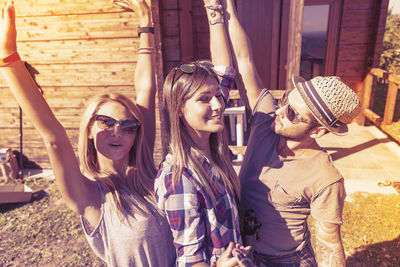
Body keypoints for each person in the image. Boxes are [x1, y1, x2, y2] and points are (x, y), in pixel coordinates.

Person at [0, 1, 176, 266]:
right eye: (106, 121)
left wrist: (145, 23)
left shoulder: (146, 172)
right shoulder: (90, 194)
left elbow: (146, 90)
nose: (118, 130)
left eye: (128, 126)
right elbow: (54, 138)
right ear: (89, 129)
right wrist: (9, 58)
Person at [223, 0, 361, 266]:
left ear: (318, 130)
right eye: (286, 100)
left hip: (286, 261)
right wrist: (224, 5)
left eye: (293, 113)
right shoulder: (265, 124)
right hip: (243, 256)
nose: (280, 111)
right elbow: (244, 61)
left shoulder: (326, 179)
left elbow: (330, 246)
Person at [154, 0, 252, 266]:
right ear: (178, 110)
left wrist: (214, 10)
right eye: (205, 99)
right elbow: (190, 260)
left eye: (218, 95)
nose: (219, 104)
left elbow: (225, 71)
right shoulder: (180, 179)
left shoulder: (210, 152)